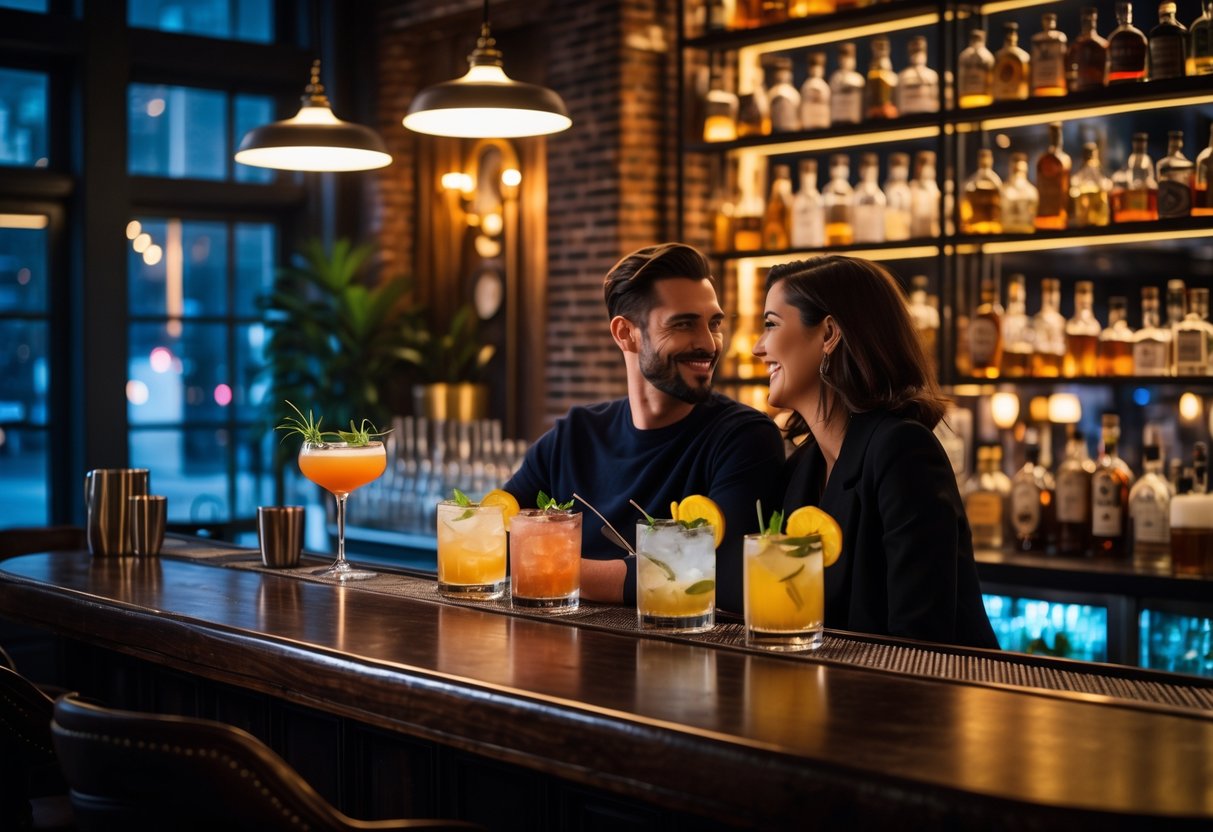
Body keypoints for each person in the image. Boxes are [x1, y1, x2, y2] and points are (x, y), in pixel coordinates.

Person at [504, 242, 785, 612]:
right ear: (625, 333)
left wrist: (556, 567)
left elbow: (717, 574)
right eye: (684, 324)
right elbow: (494, 537)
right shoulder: (574, 435)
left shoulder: (745, 438)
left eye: (714, 323)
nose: (708, 343)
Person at [752, 255, 998, 649]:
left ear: (829, 333)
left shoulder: (903, 452)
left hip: (926, 700)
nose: (756, 348)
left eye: (770, 325)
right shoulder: (803, 466)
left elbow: (919, 644)